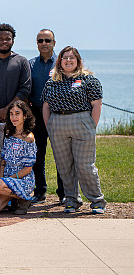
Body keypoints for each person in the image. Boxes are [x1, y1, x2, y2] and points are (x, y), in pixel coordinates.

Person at [42, 46, 106, 214]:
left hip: (82, 122)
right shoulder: (52, 81)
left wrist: (92, 125)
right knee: (64, 166)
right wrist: (50, 126)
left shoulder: (89, 80)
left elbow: (96, 104)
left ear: (78, 61)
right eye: (65, 58)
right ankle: (71, 199)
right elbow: (46, 106)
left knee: (85, 165)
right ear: (60, 61)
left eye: (72, 58)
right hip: (57, 124)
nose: (68, 61)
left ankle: (97, 200)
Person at [28, 29, 62, 204]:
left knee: (61, 155)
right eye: (40, 40)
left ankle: (63, 193)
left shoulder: (62, 63)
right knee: (37, 155)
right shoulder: (30, 64)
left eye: (47, 40)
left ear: (54, 43)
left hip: (57, 114)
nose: (44, 43)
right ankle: (40, 191)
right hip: (36, 113)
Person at [0, 100, 36, 215]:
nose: (14, 117)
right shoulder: (8, 134)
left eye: (17, 113)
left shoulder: (29, 138)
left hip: (22, 180)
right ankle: (16, 198)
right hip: (6, 182)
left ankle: (24, 198)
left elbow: (28, 168)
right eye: (11, 114)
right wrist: (2, 179)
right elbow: (3, 161)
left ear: (25, 116)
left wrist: (8, 180)